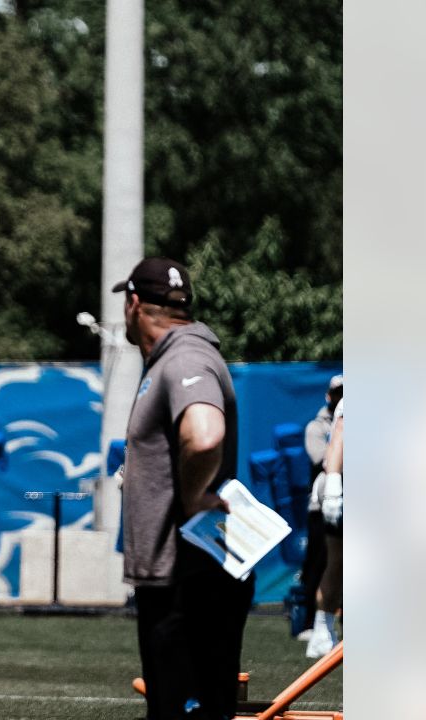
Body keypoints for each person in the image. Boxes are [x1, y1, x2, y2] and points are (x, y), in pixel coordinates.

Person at [114, 257, 254, 720]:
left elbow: (204, 434)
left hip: (187, 581)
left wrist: (193, 497)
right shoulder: (177, 357)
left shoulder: (185, 357)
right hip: (187, 575)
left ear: (134, 304)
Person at [297, 374, 342, 640]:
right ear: (328, 395)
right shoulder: (316, 426)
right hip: (324, 500)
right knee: (319, 562)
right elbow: (321, 458)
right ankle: (311, 624)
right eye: (336, 392)